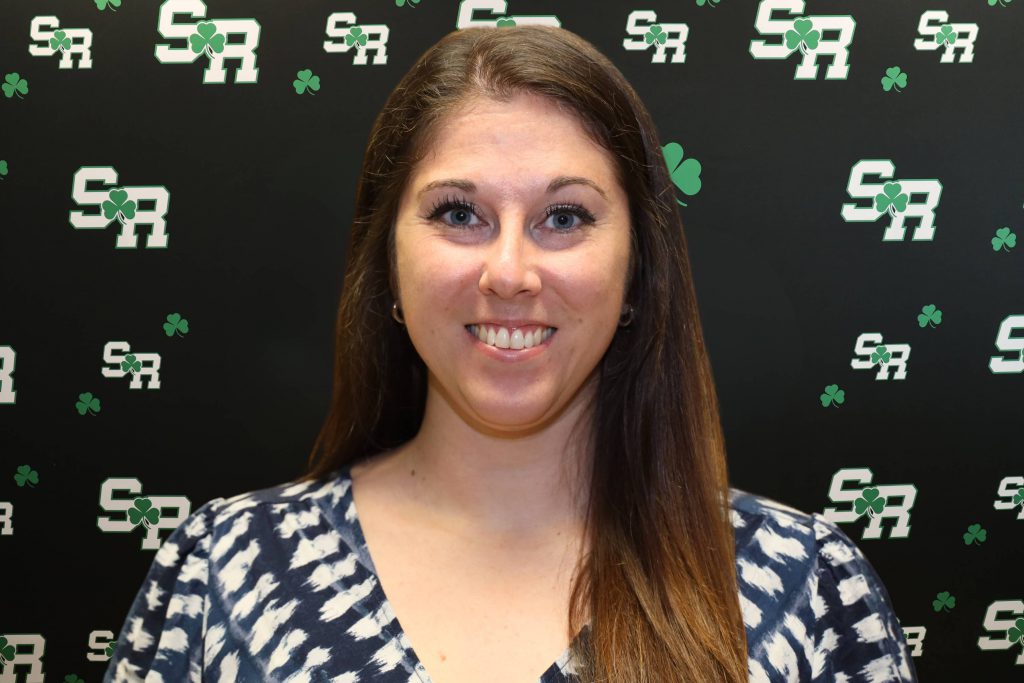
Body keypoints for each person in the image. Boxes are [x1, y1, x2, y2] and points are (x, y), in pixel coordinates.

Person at [104, 24, 918, 683]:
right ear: (387, 261)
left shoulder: (806, 586)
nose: (510, 273)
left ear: (637, 270)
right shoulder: (224, 571)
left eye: (564, 218)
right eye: (459, 214)